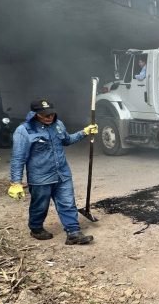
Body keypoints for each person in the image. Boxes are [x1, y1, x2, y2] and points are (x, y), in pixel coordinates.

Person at [7, 99, 98, 245]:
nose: (49, 117)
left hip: (62, 173)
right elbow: (18, 158)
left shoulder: (58, 125)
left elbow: (67, 140)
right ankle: (36, 228)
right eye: (44, 115)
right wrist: (15, 182)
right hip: (40, 178)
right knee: (40, 206)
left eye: (51, 114)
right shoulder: (24, 131)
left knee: (68, 203)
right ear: (35, 114)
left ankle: (73, 232)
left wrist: (84, 132)